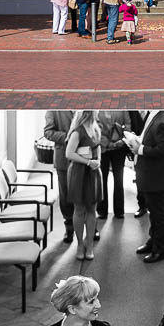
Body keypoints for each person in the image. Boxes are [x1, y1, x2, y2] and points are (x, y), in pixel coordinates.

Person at [127, 109, 164, 263]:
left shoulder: (161, 120)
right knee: (154, 213)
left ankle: (160, 250)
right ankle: (153, 241)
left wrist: (140, 149)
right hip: (152, 175)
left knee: (159, 215)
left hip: (157, 176)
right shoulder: (155, 115)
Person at [62, 111, 101, 260]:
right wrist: (88, 162)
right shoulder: (77, 131)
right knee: (79, 209)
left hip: (93, 172)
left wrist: (98, 162)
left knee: (92, 209)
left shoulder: (96, 128)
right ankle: (79, 244)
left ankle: (89, 244)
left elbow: (97, 148)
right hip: (79, 173)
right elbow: (68, 153)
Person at [43, 109, 77, 238]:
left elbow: (96, 123)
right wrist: (69, 137)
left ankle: (91, 226)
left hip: (85, 155)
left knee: (86, 191)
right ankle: (69, 226)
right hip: (63, 157)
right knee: (65, 192)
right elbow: (48, 132)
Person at [95, 109, 134, 218]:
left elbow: (127, 125)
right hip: (103, 149)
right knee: (102, 180)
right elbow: (95, 128)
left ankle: (119, 211)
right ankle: (102, 210)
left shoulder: (122, 106)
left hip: (119, 148)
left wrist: (122, 141)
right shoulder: (97, 109)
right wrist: (107, 143)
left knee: (119, 180)